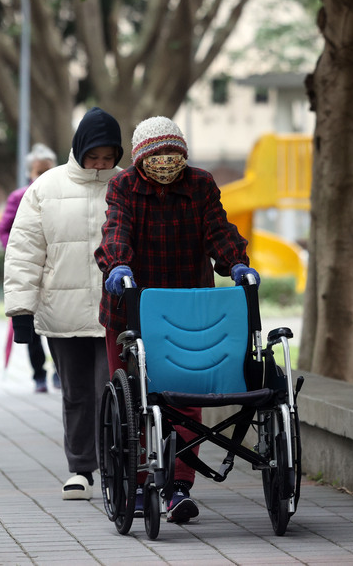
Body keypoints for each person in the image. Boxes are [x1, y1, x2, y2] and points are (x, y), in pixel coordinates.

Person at [94, 116, 258, 524]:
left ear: (184, 155)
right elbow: (117, 231)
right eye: (156, 155)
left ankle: (179, 486)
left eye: (173, 154)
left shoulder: (201, 185)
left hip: (190, 310)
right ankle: (134, 482)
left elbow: (218, 229)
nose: (165, 162)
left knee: (186, 399)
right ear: (139, 158)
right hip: (133, 304)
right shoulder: (124, 186)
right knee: (136, 401)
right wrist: (117, 265)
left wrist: (235, 263)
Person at [4, 107, 123, 501]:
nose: (101, 165)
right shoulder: (46, 188)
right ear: (79, 150)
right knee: (75, 393)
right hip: (63, 312)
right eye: (94, 157)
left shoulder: (127, 185)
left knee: (114, 390)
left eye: (108, 157)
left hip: (117, 314)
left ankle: (116, 466)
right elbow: (24, 252)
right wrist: (21, 312)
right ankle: (81, 470)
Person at [0, 144, 60, 393]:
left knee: (59, 324)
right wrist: (17, 254)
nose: (44, 175)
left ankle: (59, 372)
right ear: (29, 173)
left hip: (56, 271)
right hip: (30, 271)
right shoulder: (19, 197)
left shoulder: (61, 195)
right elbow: (4, 230)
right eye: (38, 171)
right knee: (30, 327)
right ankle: (39, 375)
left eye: (48, 170)